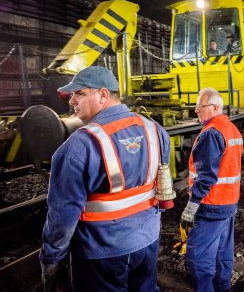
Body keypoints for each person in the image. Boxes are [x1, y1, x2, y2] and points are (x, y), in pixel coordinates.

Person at [39, 66, 172, 292]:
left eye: (78, 93)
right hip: (147, 241)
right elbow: (163, 185)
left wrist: (51, 259)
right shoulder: (154, 129)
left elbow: (62, 215)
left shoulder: (77, 147)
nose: (72, 101)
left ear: (102, 95)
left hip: (102, 254)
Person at [180, 87, 243, 292]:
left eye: (200, 106)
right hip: (229, 201)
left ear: (215, 107)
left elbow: (206, 177)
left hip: (212, 203)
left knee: (198, 253)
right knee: (223, 249)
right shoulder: (231, 128)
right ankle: (223, 286)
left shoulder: (211, 133)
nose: (196, 110)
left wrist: (191, 205)